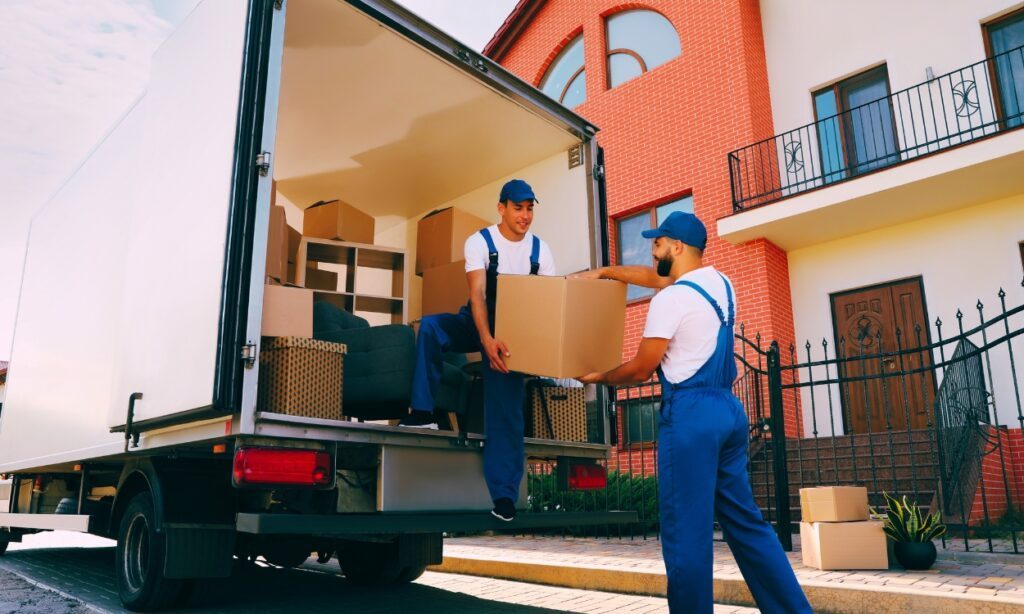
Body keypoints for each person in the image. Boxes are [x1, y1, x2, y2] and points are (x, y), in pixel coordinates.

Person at [576, 211, 810, 613]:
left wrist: (597, 375)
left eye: (658, 242)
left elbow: (641, 368)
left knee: (687, 535)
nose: (652, 250)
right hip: (729, 412)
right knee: (748, 525)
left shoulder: (671, 300)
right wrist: (605, 274)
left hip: (690, 417)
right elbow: (659, 278)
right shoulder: (721, 283)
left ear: (677, 246)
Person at [409, 179, 555, 522]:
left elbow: (545, 304)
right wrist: (486, 339)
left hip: (514, 331)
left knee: (506, 407)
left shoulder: (541, 251)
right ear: (502, 208)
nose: (525, 215)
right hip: (478, 319)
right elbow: (477, 295)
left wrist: (526, 347)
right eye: (518, 208)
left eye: (530, 208)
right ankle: (422, 413)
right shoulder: (480, 242)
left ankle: (503, 496)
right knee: (430, 328)